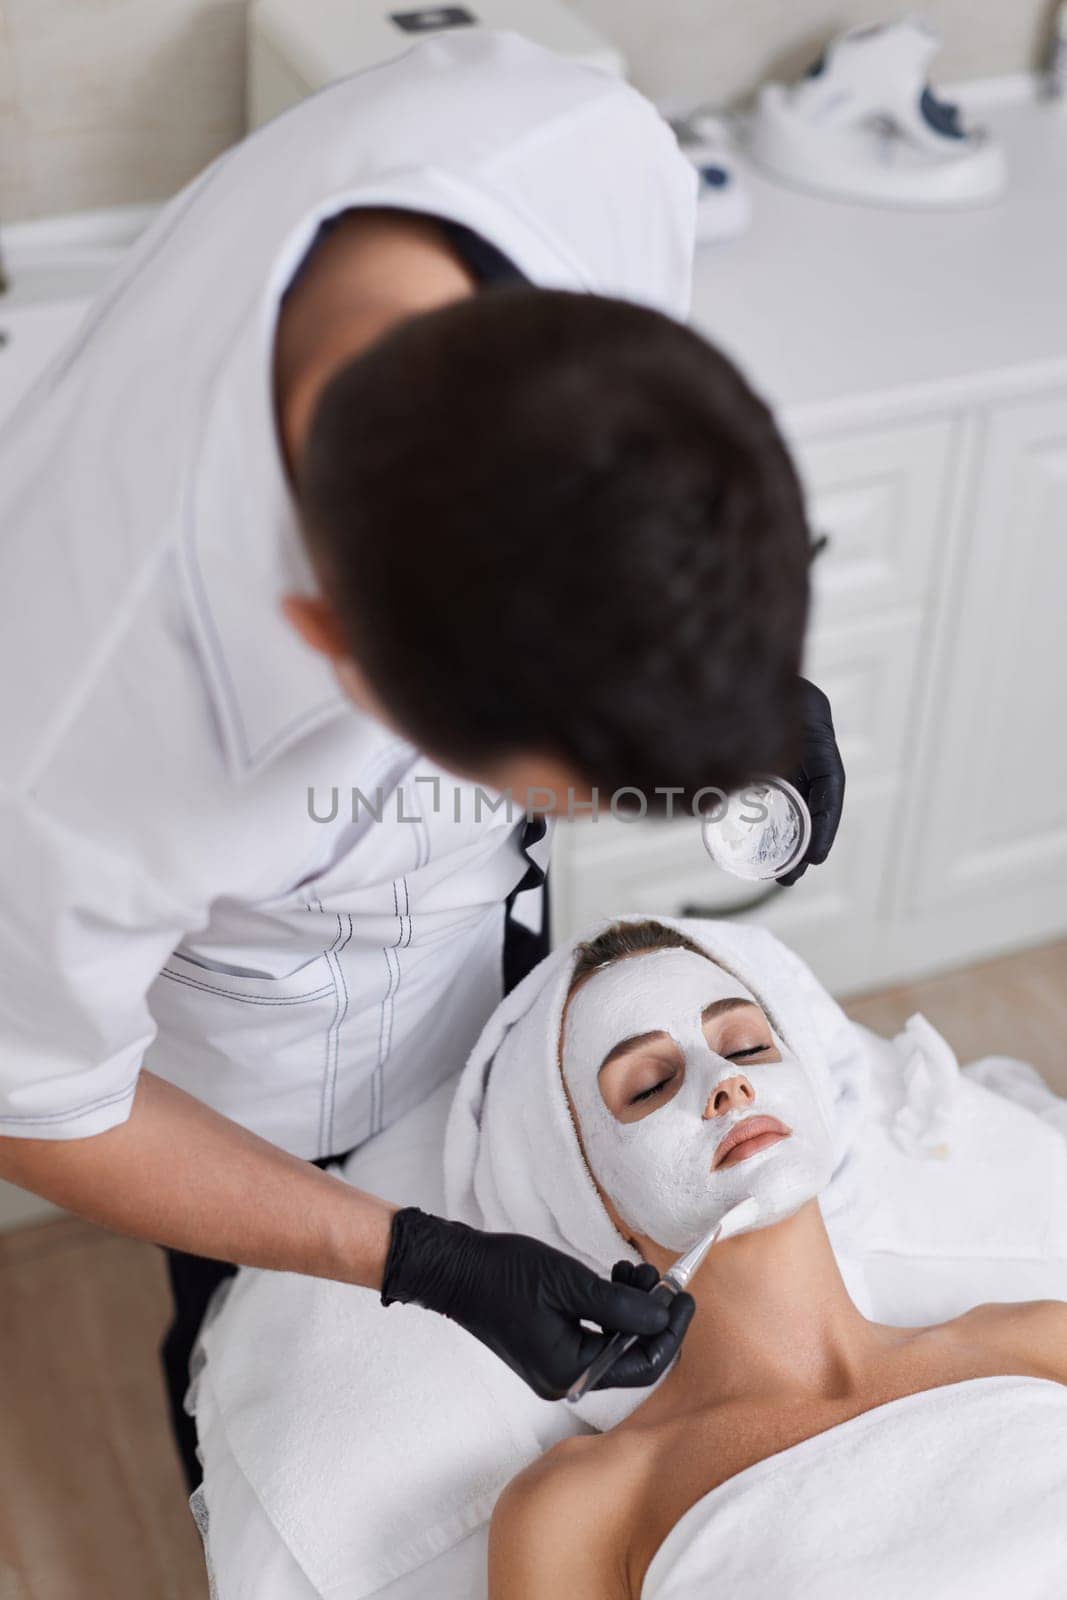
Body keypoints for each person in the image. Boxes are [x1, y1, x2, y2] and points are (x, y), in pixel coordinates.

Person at [0, 30, 844, 1490]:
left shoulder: (580, 154)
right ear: (328, 643)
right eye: (558, 784)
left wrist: (730, 672)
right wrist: (414, 1257)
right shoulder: (75, 745)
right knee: (255, 1360)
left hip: (455, 938)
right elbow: (38, 1103)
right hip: (263, 1067)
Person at [486, 919, 1067, 1597]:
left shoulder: (1038, 1342)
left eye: (747, 1045)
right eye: (647, 1087)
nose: (724, 1080)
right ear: (591, 1197)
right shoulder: (584, 1503)